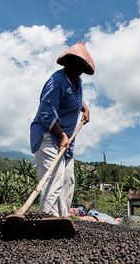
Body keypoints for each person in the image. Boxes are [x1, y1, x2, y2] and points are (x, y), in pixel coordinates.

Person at [30, 42, 95, 217]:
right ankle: (46, 220)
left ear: (83, 68)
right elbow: (46, 112)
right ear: (66, 63)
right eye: (73, 64)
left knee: (68, 181)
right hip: (48, 136)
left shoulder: (77, 81)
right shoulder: (56, 81)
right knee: (54, 179)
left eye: (80, 66)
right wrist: (62, 135)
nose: (76, 69)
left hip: (66, 140)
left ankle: (62, 220)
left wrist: (85, 109)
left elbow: (77, 99)